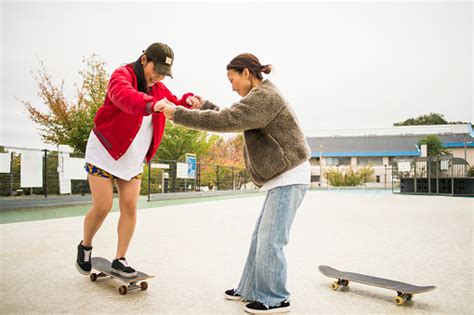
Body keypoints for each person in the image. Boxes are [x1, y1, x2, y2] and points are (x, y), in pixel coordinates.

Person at [158, 53, 310, 314]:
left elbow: (226, 121)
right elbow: (231, 117)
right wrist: (203, 104)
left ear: (247, 74)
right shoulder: (258, 99)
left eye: (233, 79)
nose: (232, 86)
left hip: (290, 176)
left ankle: (275, 298)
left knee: (271, 239)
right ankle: (251, 289)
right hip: (283, 177)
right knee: (260, 238)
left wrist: (177, 114)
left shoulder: (265, 98)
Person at [76, 43, 201, 278]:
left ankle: (119, 259)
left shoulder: (160, 88)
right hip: (105, 149)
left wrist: (188, 100)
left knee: (130, 207)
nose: (159, 76)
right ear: (144, 60)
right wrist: (152, 104)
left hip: (133, 157)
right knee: (102, 206)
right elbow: (124, 97)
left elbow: (173, 101)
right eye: (157, 69)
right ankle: (85, 246)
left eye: (165, 73)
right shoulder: (121, 76)